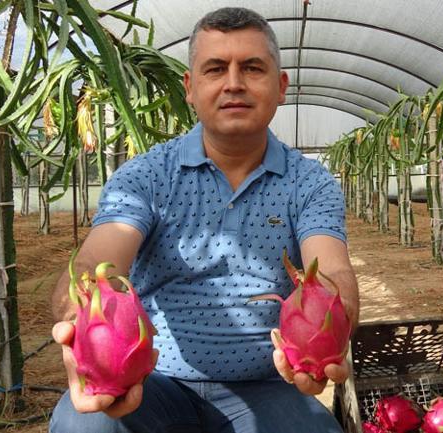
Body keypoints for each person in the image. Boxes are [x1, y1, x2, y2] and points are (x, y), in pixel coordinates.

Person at [48, 7, 358, 433]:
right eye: (216, 69)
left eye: (252, 68)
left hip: (266, 386)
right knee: (85, 424)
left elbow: (333, 269)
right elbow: (94, 264)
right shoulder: (147, 175)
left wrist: (337, 320)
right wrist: (79, 327)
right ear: (190, 88)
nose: (234, 83)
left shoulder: (310, 183)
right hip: (154, 383)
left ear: (280, 86)